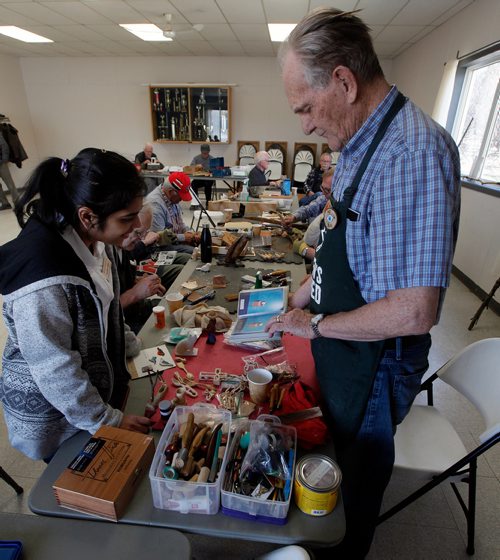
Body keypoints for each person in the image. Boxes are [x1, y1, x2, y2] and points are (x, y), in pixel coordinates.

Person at [267, 8, 460, 559]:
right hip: (343, 344)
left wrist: (318, 323)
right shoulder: (356, 143)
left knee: (354, 483)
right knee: (328, 456)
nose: (303, 125)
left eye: (306, 107)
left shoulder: (411, 154)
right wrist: (298, 298)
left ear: (345, 82)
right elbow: (336, 237)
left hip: (376, 360)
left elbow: (415, 312)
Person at [0, 148, 153, 461]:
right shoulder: (42, 281)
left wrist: (129, 344)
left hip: (90, 399)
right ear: (87, 215)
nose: (136, 224)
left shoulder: (94, 240)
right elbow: (55, 367)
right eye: (126, 218)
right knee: (80, 482)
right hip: (56, 417)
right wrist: (107, 421)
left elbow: (105, 307)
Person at [117, 205, 190, 333]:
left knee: (182, 311)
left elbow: (119, 283)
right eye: (138, 233)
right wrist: (135, 292)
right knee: (168, 329)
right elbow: (101, 312)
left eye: (145, 233)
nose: (141, 239)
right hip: (124, 322)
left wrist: (137, 281)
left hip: (136, 308)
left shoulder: (123, 248)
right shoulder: (106, 253)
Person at [146, 172, 199, 254]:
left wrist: (190, 233)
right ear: (171, 192)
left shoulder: (172, 199)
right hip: (158, 247)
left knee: (200, 245)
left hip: (172, 241)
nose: (181, 199)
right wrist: (184, 237)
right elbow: (159, 237)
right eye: (181, 196)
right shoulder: (155, 205)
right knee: (195, 252)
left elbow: (180, 224)